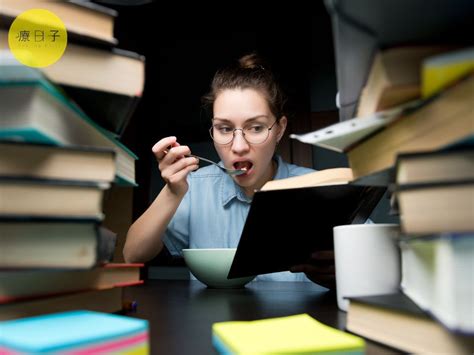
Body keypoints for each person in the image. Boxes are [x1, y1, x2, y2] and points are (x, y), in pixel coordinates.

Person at [123, 53, 335, 288]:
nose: (239, 146)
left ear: (279, 129)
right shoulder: (194, 189)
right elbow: (133, 254)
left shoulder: (318, 188)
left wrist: (342, 271)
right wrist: (173, 191)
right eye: (224, 129)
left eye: (256, 128)